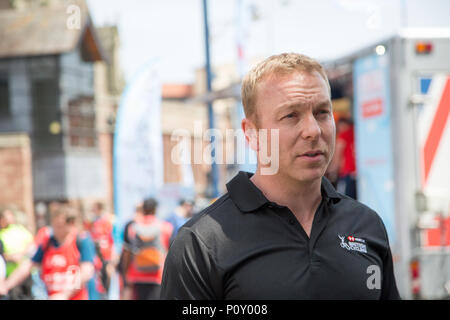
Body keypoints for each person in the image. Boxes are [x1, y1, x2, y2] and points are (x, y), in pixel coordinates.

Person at [160, 53, 400, 300]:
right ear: (252, 133)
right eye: (291, 115)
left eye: (322, 113)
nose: (313, 130)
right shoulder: (202, 243)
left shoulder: (366, 224)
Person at [0, 205, 95, 300]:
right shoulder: (48, 243)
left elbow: (86, 271)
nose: (55, 229)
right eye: (54, 225)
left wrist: (66, 294)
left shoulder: (81, 241)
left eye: (59, 226)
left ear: (70, 224)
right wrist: (6, 285)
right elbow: (28, 265)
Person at [120, 198, 172, 300]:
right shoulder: (166, 228)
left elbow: (127, 253)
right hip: (158, 275)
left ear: (143, 209)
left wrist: (125, 273)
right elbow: (170, 253)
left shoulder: (132, 228)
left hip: (137, 274)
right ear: (156, 209)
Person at [0, 208, 34, 299]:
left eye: (9, 216)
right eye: (5, 217)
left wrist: (21, 254)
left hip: (25, 272)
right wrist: (11, 258)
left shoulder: (21, 230)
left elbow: (31, 245)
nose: (7, 219)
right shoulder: (1, 233)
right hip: (10, 274)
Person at [328, 117, 357, 199]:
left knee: (344, 200)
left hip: (347, 173)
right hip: (357, 173)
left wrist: (332, 170)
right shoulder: (357, 132)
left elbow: (338, 154)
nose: (339, 129)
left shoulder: (343, 136)